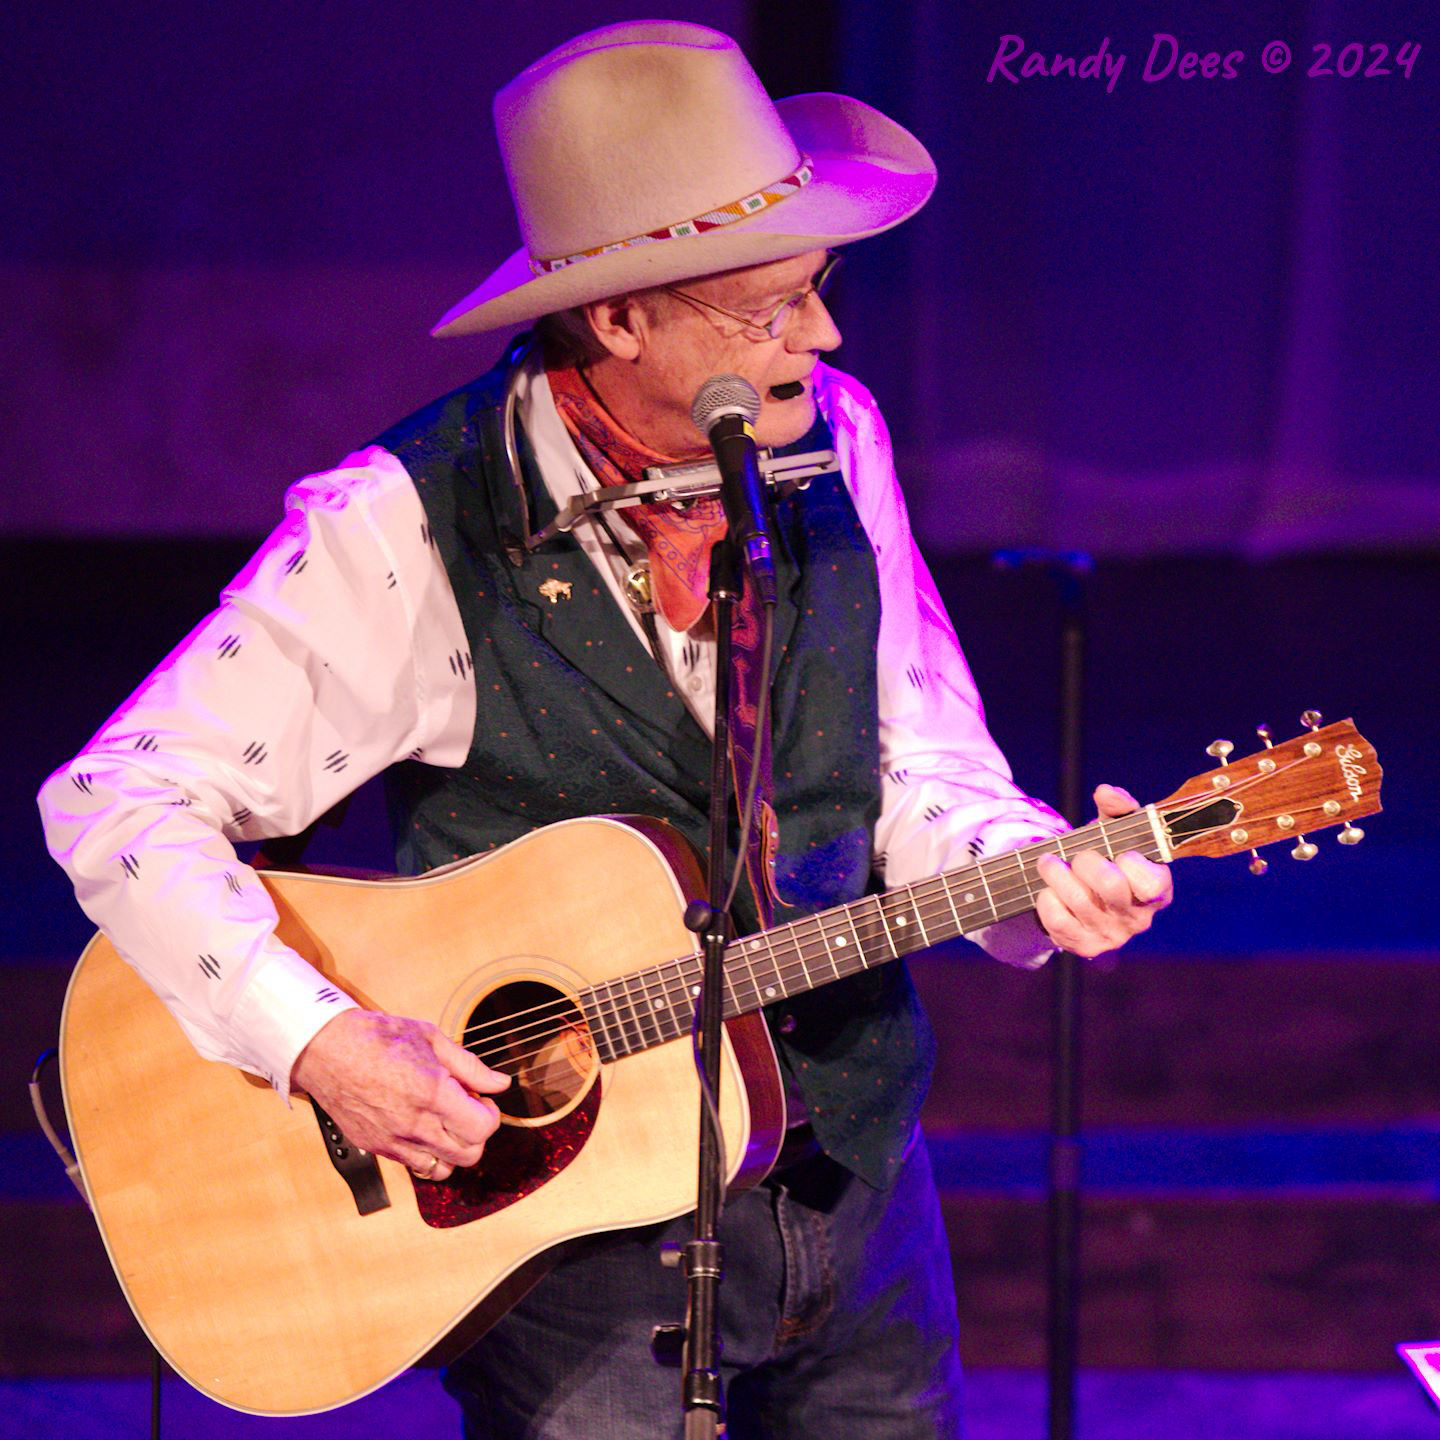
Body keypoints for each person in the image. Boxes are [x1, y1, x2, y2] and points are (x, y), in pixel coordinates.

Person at [38, 20, 1172, 1438]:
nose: (820, 337)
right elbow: (116, 804)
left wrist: (1028, 866)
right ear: (620, 316)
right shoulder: (409, 523)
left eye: (820, 290)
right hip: (577, 1259)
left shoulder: (841, 440)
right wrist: (317, 1041)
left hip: (859, 1189)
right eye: (769, 308)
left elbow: (914, 762)